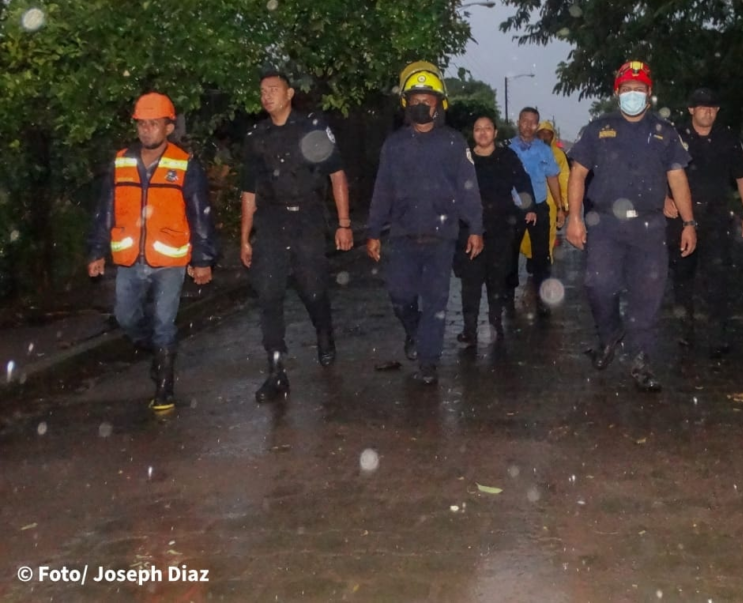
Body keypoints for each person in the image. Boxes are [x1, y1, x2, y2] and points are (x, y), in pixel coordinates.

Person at [567, 61, 697, 391]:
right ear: (617, 92)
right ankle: (610, 333)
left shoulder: (665, 132)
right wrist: (574, 218)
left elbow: (677, 177)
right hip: (605, 224)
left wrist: (688, 222)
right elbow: (578, 174)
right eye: (627, 89)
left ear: (649, 94)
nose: (633, 95)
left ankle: (641, 359)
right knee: (598, 285)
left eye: (639, 89)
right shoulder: (598, 129)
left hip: (650, 226)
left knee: (647, 296)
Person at [86, 92, 218, 412]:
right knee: (126, 318)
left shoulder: (184, 164)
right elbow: (106, 209)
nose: (146, 130)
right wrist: (96, 251)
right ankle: (160, 352)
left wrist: (202, 259)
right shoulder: (121, 162)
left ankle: (164, 387)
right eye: (142, 124)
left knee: (163, 321)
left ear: (168, 127)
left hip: (170, 261)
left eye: (153, 124)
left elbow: (200, 215)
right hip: (130, 259)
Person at [366, 62, 484, 385]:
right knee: (400, 295)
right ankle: (415, 331)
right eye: (415, 100)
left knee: (436, 302)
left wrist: (475, 227)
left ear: (439, 105)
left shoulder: (454, 143)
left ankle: (428, 362)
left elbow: (468, 188)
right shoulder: (394, 145)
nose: (421, 105)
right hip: (403, 235)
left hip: (441, 236)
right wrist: (373, 230)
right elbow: (382, 189)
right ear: (406, 104)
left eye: (427, 101)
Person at [240, 69, 354, 403]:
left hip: (307, 217)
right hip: (272, 220)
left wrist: (344, 223)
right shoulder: (257, 136)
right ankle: (276, 370)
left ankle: (323, 329)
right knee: (268, 293)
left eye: (274, 89)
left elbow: (336, 175)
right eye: (263, 91)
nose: (267, 96)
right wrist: (245, 236)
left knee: (312, 288)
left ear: (290, 93)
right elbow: (249, 190)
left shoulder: (312, 129)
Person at [665, 87, 743, 359]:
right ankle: (685, 327)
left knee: (718, 275)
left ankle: (718, 333)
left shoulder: (727, 138)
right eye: (702, 107)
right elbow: (658, 170)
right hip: (681, 216)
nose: (708, 112)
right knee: (683, 274)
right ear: (691, 109)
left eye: (713, 108)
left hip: (717, 216)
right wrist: (663, 198)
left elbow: (742, 177)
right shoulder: (676, 137)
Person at [454, 115, 536, 349]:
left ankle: (495, 323)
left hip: (501, 226)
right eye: (478, 129)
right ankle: (469, 329)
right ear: (473, 133)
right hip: (470, 228)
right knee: (471, 280)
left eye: (487, 128)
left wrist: (529, 207)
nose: (482, 133)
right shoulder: (464, 159)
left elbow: (522, 182)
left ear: (495, 132)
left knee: (497, 278)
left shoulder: (507, 157)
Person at [507, 107, 566, 316]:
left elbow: (553, 178)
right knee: (509, 254)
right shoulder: (507, 149)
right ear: (518, 122)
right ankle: (507, 296)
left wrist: (560, 207)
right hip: (513, 209)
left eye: (533, 122)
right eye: (525, 121)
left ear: (537, 125)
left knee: (542, 255)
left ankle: (543, 298)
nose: (528, 126)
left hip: (540, 207)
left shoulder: (544, 150)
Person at [521, 120, 570, 263]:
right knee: (527, 235)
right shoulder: (527, 152)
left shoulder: (558, 155)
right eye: (541, 133)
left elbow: (564, 179)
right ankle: (532, 259)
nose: (544, 137)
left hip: (552, 202)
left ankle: (544, 261)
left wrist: (565, 205)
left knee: (548, 233)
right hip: (530, 201)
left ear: (552, 136)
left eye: (548, 134)